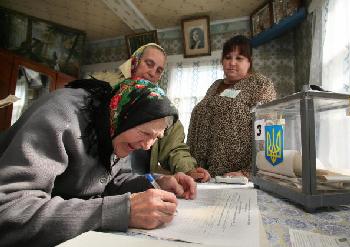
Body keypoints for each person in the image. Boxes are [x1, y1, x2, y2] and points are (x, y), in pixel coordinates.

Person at [0, 77, 197, 246]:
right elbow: (9, 211)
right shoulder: (63, 117)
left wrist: (156, 181)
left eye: (156, 137)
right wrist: (121, 211)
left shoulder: (115, 126)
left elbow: (111, 179)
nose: (147, 146)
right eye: (145, 133)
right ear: (122, 116)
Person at [116, 43, 210, 182]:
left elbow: (174, 148)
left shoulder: (162, 110)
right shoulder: (110, 98)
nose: (152, 73)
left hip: (142, 184)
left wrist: (189, 170)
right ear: (135, 61)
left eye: (159, 70)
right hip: (107, 184)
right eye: (149, 64)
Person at [187, 35, 276, 178]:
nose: (232, 63)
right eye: (228, 57)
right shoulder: (215, 85)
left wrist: (248, 173)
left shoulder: (261, 84)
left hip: (236, 176)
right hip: (203, 173)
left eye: (239, 58)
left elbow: (270, 128)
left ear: (249, 62)